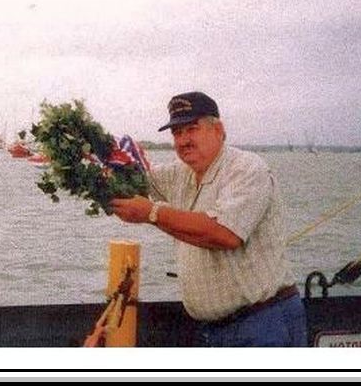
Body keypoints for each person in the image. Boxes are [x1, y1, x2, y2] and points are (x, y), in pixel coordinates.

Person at [109, 91, 307, 347]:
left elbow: (225, 234)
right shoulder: (179, 173)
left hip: (263, 325)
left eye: (192, 129)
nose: (183, 140)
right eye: (177, 133)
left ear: (218, 130)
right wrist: (92, 153)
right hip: (212, 331)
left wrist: (152, 213)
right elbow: (132, 184)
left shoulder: (247, 169)